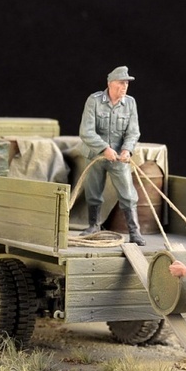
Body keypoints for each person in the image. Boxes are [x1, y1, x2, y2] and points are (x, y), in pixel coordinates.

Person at [78, 65, 145, 246]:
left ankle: (134, 231)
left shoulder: (130, 103)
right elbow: (86, 131)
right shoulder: (94, 101)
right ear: (110, 83)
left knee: (128, 194)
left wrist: (127, 150)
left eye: (127, 83)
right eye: (121, 83)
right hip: (96, 155)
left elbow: (133, 132)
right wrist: (104, 148)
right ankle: (93, 226)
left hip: (119, 157)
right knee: (93, 191)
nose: (124, 87)